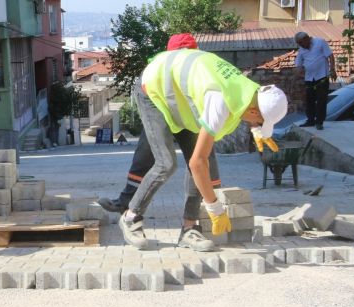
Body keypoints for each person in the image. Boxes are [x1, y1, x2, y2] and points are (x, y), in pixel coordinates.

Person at [118, 48, 287, 250]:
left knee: (195, 164)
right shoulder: (219, 100)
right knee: (167, 163)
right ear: (253, 110)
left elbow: (250, 108)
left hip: (180, 97)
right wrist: (215, 208)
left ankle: (189, 229)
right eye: (259, 121)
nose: (257, 123)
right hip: (153, 89)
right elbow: (198, 163)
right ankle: (131, 217)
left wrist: (256, 128)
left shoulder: (251, 90)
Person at [99, 33, 222, 251]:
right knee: (159, 159)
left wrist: (214, 194)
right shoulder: (157, 71)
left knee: (198, 160)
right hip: (156, 104)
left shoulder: (199, 72)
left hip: (183, 110)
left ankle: (189, 228)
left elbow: (204, 154)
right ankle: (128, 211)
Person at [294, 32, 336, 130]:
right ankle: (310, 120)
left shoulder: (320, 42)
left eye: (300, 42)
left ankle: (319, 122)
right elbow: (298, 64)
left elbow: (330, 56)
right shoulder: (301, 50)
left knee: (321, 100)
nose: (300, 45)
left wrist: (332, 69)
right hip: (309, 78)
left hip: (322, 76)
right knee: (309, 100)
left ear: (306, 38)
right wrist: (298, 72)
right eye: (298, 43)